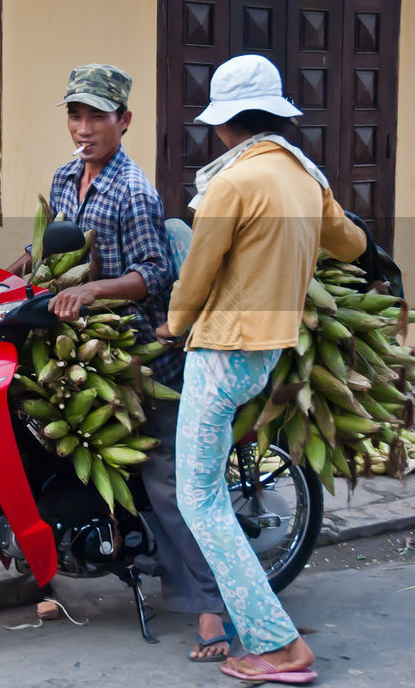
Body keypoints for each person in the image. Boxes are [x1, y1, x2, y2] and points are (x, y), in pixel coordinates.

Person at [9, 64, 231, 662]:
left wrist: (92, 291)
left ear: (123, 121)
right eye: (75, 115)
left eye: (96, 117)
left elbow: (154, 273)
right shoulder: (63, 178)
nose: (83, 128)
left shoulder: (134, 190)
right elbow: (54, 247)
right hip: (76, 345)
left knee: (165, 480)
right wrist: (17, 271)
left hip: (139, 355)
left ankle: (212, 605)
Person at [157, 54, 367, 683]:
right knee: (209, 495)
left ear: (224, 126)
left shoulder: (231, 184)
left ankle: (279, 645)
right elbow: (352, 245)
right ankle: (265, 631)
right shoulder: (306, 177)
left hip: (221, 353)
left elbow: (196, 274)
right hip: (266, 353)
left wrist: (173, 322)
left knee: (200, 502)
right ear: (275, 114)